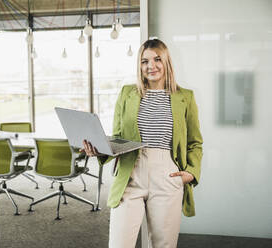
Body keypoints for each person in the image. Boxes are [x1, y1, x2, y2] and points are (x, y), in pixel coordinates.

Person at [82, 38, 203, 248]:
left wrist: (191, 172)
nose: (151, 66)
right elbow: (118, 137)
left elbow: (194, 142)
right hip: (130, 173)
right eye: (144, 61)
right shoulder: (127, 93)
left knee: (164, 245)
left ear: (167, 62)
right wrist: (98, 150)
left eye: (157, 59)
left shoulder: (185, 97)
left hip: (167, 176)